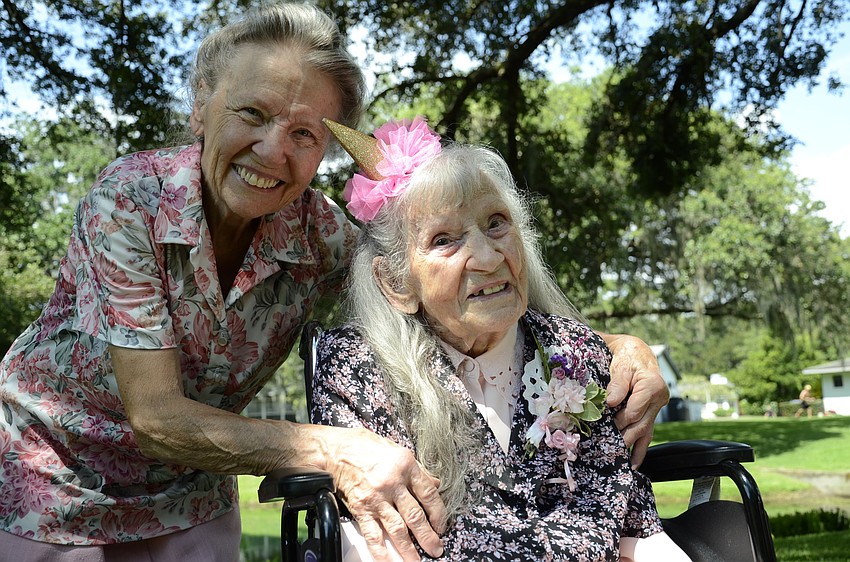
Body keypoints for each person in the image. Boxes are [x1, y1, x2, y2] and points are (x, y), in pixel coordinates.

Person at [0, 4, 667, 561]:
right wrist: (336, 448)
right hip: (51, 470)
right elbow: (156, 418)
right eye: (251, 115)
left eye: (303, 133)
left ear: (325, 152)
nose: (272, 151)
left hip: (190, 487)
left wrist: (611, 347)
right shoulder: (131, 201)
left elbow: (443, 287)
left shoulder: (317, 234)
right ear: (203, 109)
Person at [311, 117, 690, 560]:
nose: (489, 258)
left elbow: (635, 529)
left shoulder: (574, 353)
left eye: (496, 224)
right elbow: (381, 543)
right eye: (445, 239)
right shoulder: (357, 367)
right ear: (396, 283)